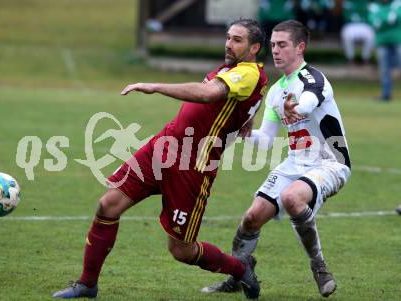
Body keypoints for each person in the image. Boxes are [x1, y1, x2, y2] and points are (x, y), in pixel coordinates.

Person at [53, 19, 268, 299]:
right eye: (228, 37)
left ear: (255, 47)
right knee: (108, 205)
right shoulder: (232, 69)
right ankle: (86, 284)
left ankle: (239, 269)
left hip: (192, 166)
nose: (229, 43)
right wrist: (247, 117)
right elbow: (248, 100)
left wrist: (155, 86)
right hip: (163, 147)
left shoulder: (248, 73)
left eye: (237, 40)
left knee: (182, 250)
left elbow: (208, 94)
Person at [201, 20, 351, 298]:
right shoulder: (275, 92)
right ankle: (237, 274)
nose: (276, 50)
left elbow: (308, 101)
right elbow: (267, 139)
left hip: (330, 162)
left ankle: (319, 266)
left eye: (282, 45)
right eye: (272, 45)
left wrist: (297, 107)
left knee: (293, 199)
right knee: (251, 218)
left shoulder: (313, 79)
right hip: (295, 163)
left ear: (300, 47)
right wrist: (243, 132)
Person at [368, 0, 401, 101]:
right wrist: (388, 19)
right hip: (382, 42)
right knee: (384, 70)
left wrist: (382, 20)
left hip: (397, 40)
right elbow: (374, 23)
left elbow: (396, 18)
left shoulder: (397, 3)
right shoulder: (374, 6)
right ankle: (386, 95)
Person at [341, 0, 375, 65]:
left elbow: (371, 17)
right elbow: (345, 15)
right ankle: (350, 59)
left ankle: (366, 58)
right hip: (351, 25)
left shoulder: (367, 3)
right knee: (346, 35)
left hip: (364, 25)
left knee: (371, 35)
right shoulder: (347, 2)